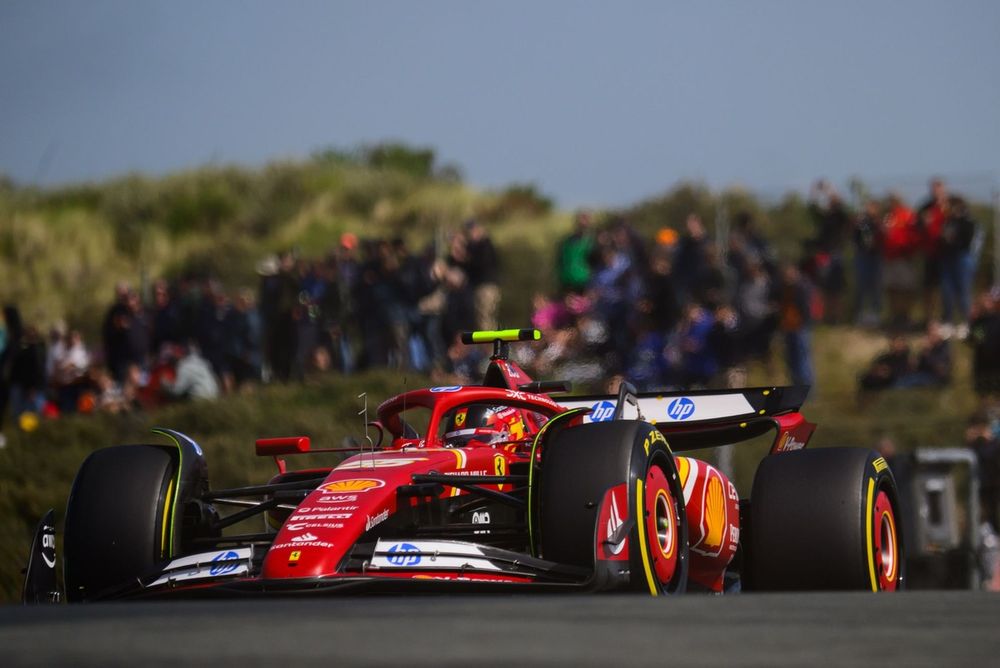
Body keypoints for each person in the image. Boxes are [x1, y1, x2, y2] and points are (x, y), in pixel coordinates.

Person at [777, 264, 815, 387]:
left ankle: (807, 391)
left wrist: (802, 323)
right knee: (791, 361)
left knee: (802, 361)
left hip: (800, 328)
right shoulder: (784, 288)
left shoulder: (801, 287)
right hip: (788, 328)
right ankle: (796, 388)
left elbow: (806, 309)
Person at [556, 211, 595, 295]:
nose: (583, 223)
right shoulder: (567, 240)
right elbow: (560, 260)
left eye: (586, 220)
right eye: (581, 220)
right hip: (567, 279)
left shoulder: (592, 240)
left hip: (583, 281)